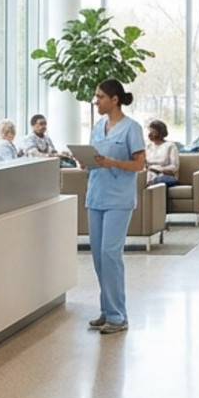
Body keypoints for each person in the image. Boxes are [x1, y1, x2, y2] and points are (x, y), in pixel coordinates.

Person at [85, 78, 146, 335]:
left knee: (110, 254)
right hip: (96, 196)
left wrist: (113, 162)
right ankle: (107, 309)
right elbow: (95, 158)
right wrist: (86, 161)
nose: (96, 101)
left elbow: (139, 165)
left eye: (100, 97)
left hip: (119, 199)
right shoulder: (98, 127)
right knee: (99, 257)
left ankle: (118, 316)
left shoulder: (132, 128)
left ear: (114, 99)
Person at [144, 120, 179, 187]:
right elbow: (144, 164)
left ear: (161, 133)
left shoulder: (170, 145)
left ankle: (151, 185)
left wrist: (157, 169)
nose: (150, 134)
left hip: (166, 176)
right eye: (149, 131)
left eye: (153, 132)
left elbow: (174, 167)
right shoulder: (148, 146)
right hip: (150, 174)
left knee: (159, 181)